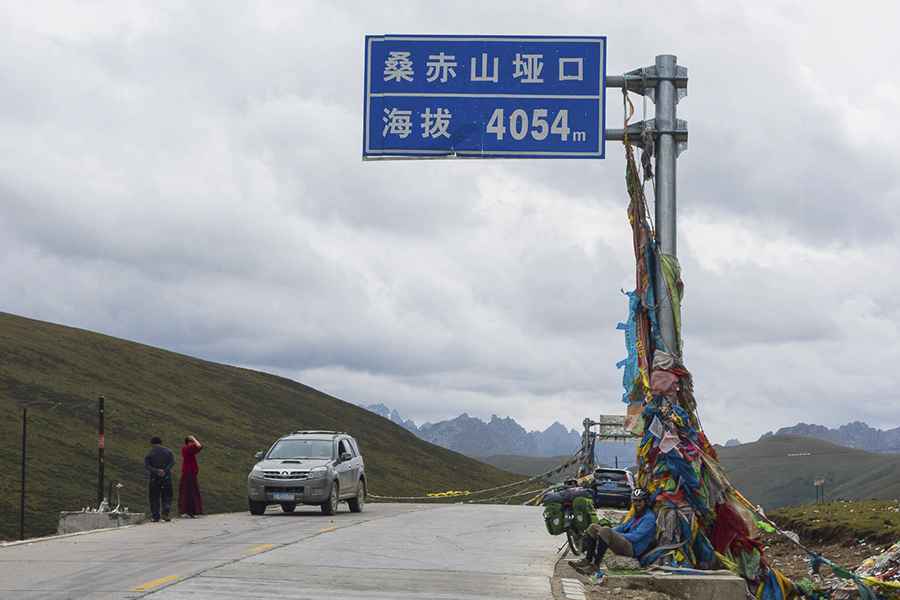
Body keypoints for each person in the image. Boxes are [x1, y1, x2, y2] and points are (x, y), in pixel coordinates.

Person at [571, 487, 657, 573]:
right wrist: (608, 531)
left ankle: (595, 566)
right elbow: (622, 527)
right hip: (626, 543)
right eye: (635, 501)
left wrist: (611, 533)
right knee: (593, 527)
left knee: (606, 531)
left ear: (646, 502)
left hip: (633, 549)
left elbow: (635, 537)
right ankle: (587, 560)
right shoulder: (637, 515)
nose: (637, 503)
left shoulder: (649, 518)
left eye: (640, 501)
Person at [144, 436, 175, 522]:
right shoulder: (168, 451)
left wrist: (157, 471)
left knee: (154, 497)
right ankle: (165, 514)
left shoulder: (149, 453)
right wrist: (164, 470)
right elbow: (172, 462)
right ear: (161, 442)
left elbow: (147, 466)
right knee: (167, 496)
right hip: (166, 477)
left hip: (154, 478)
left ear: (152, 443)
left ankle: (155, 516)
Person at [179, 435, 204, 518]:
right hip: (189, 472)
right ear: (189, 442)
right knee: (191, 491)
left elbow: (199, 447)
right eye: (192, 442)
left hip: (189, 472)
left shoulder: (187, 449)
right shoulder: (187, 448)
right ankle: (191, 511)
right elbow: (199, 446)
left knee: (189, 491)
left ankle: (189, 511)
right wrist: (194, 438)